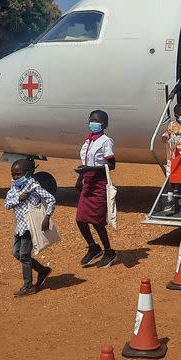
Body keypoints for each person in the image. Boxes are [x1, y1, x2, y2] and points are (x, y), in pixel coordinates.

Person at [5, 159, 55, 297]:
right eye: (13, 174)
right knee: (16, 253)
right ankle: (42, 270)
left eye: (18, 174)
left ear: (27, 174)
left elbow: (51, 199)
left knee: (25, 256)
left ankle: (28, 286)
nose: (15, 177)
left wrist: (47, 217)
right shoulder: (14, 187)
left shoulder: (34, 186)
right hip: (20, 227)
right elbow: (7, 204)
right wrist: (18, 199)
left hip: (29, 226)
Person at [76, 110, 118, 268]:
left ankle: (109, 251)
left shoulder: (106, 141)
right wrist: (80, 178)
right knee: (80, 219)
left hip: (99, 183)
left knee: (97, 222)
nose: (93, 123)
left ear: (104, 125)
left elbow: (111, 165)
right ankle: (93, 247)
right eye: (91, 120)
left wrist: (89, 169)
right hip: (87, 182)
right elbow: (85, 162)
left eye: (97, 121)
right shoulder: (88, 141)